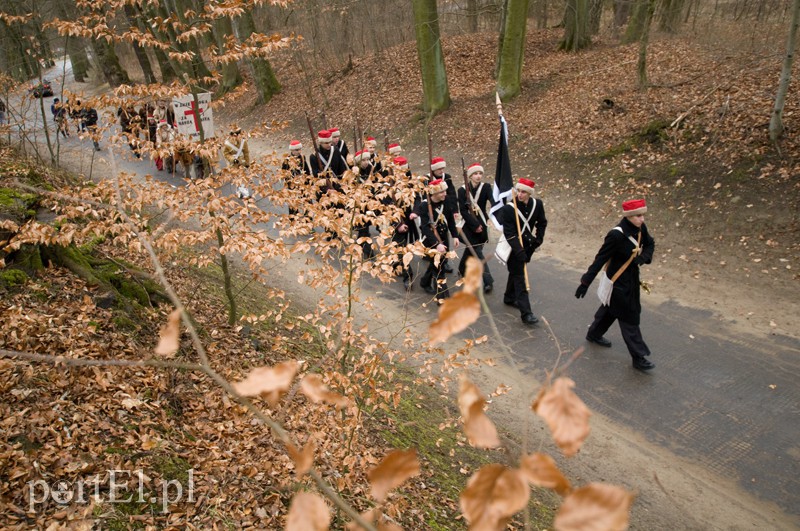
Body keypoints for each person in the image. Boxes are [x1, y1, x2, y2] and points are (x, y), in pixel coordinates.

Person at [574, 198, 656, 371]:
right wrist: (585, 282)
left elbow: (650, 244)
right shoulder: (616, 235)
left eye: (643, 215)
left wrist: (642, 259)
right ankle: (638, 357)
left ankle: (594, 334)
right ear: (629, 216)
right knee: (629, 317)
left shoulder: (641, 229)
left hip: (632, 278)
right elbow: (600, 259)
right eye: (638, 216)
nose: (642, 219)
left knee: (611, 310)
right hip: (617, 282)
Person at [501, 178, 547, 325]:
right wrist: (518, 250)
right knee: (521, 278)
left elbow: (542, 222)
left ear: (529, 193)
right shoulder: (509, 208)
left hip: (528, 245)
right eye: (518, 191)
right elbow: (509, 233)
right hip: (514, 247)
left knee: (516, 271)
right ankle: (526, 313)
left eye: (523, 192)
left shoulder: (537, 204)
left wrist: (539, 239)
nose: (520, 195)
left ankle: (509, 297)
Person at [417, 178, 460, 302]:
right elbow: (424, 228)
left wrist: (455, 235)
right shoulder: (424, 205)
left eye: (445, 191)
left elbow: (450, 220)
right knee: (439, 268)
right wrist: (436, 244)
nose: (445, 194)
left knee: (436, 264)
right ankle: (443, 298)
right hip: (430, 242)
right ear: (434, 193)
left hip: (443, 239)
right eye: (441, 192)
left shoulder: (446, 201)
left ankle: (424, 282)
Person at [457, 163, 494, 293]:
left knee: (471, 249)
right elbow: (463, 210)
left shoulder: (486, 187)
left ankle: (462, 269)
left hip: (482, 222)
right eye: (475, 174)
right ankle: (488, 280)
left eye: (480, 173)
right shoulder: (462, 190)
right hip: (468, 224)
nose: (478, 176)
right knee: (477, 252)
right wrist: (474, 225)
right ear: (470, 176)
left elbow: (493, 200)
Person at [388, 156, 419, 290]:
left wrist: (415, 212)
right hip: (395, 221)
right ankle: (408, 276)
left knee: (405, 248)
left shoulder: (411, 183)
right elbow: (387, 207)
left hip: (409, 219)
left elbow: (418, 199)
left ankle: (395, 265)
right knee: (400, 248)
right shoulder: (387, 185)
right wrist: (398, 225)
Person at [281, 139, 311, 217]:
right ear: (292, 150)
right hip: (292, 187)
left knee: (307, 204)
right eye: (297, 150)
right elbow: (284, 173)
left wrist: (308, 182)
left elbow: (307, 171)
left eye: (300, 149)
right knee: (293, 206)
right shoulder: (286, 160)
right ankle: (293, 222)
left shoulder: (303, 158)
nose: (299, 151)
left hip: (303, 185)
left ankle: (309, 222)